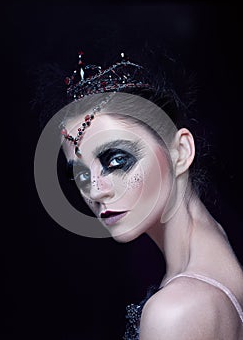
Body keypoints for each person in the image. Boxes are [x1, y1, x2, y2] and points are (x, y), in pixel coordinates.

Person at [35, 51, 243, 339]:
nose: (95, 190)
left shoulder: (177, 311)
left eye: (117, 161)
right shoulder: (215, 250)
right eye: (81, 174)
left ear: (180, 151)